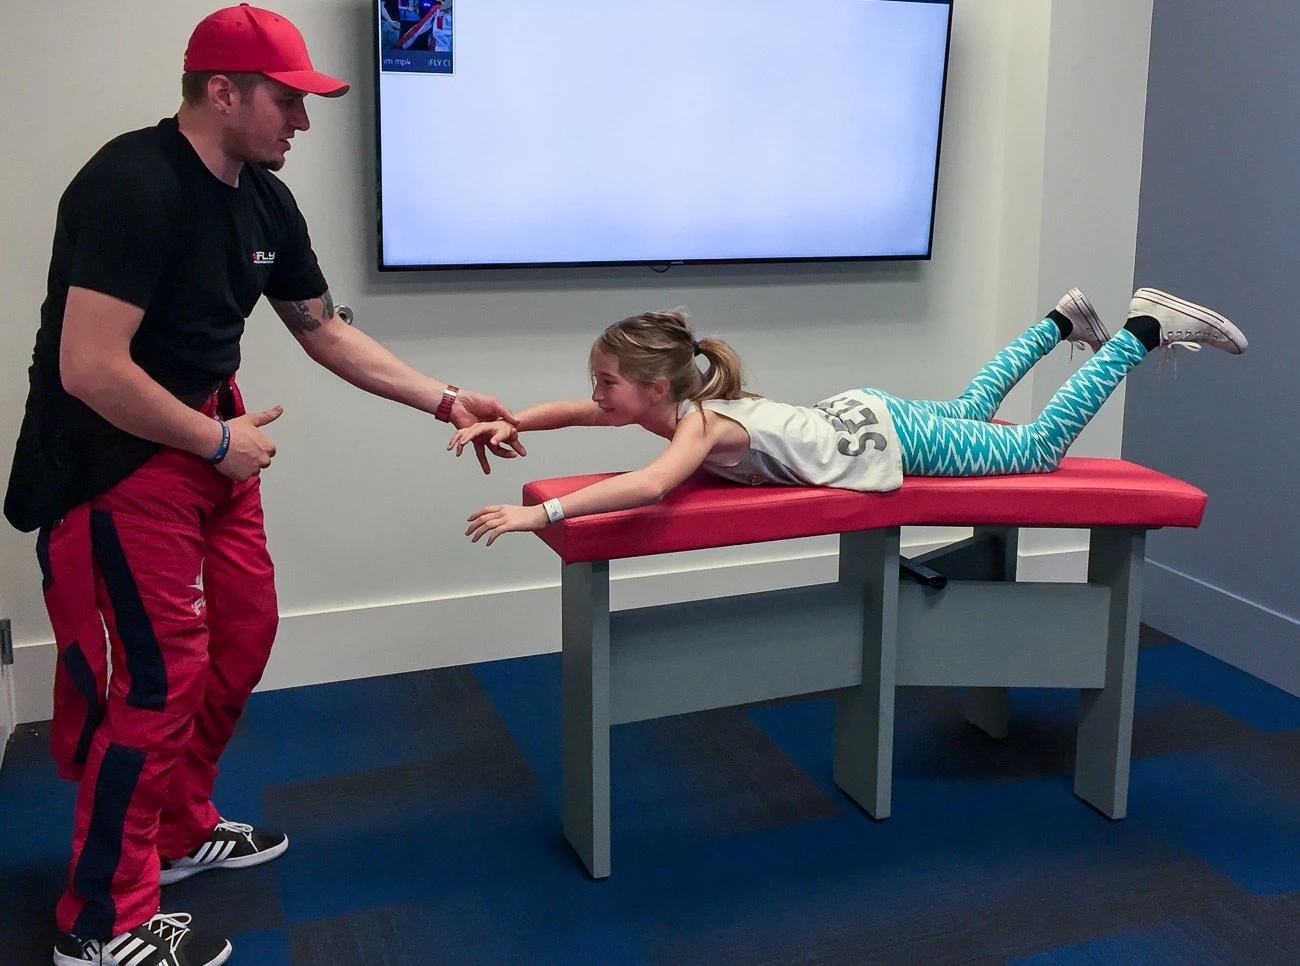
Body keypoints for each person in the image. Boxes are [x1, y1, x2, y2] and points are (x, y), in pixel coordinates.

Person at [3, 6, 521, 965]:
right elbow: (91, 367)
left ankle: (174, 830)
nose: (303, 121)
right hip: (121, 458)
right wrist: (214, 443)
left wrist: (445, 399)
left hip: (211, 437)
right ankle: (100, 921)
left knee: (242, 634)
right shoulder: (131, 184)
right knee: (159, 680)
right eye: (288, 100)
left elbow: (323, 329)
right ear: (222, 92)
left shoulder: (263, 199)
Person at [457, 289, 1247, 545]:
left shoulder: (693, 425)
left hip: (886, 438)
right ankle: (1061, 322)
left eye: (605, 383)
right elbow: (580, 414)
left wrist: (542, 514)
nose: (596, 396)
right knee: (971, 411)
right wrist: (513, 420)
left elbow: (650, 487)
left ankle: (1143, 328)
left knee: (1037, 449)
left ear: (653, 387)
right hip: (866, 414)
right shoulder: (675, 402)